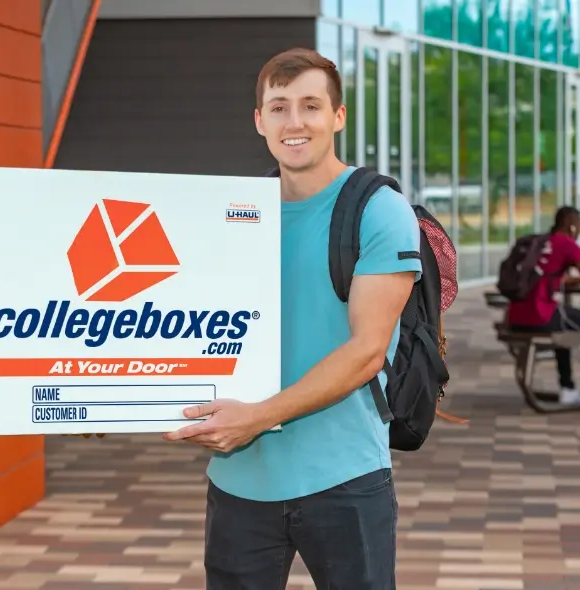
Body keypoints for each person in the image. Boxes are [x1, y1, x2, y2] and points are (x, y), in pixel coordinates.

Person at [163, 47, 422, 589]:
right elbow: (177, 324)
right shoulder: (232, 214)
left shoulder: (377, 208)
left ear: (338, 116)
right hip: (239, 484)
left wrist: (257, 417)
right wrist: (96, 393)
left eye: (311, 105)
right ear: (259, 120)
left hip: (345, 478)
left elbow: (366, 351)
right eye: (279, 107)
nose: (295, 121)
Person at [507, 206, 580, 413]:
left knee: (566, 319)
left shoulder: (542, 242)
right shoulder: (568, 244)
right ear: (572, 226)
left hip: (516, 316)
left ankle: (568, 389)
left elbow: (552, 277)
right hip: (540, 316)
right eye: (579, 227)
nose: (579, 231)